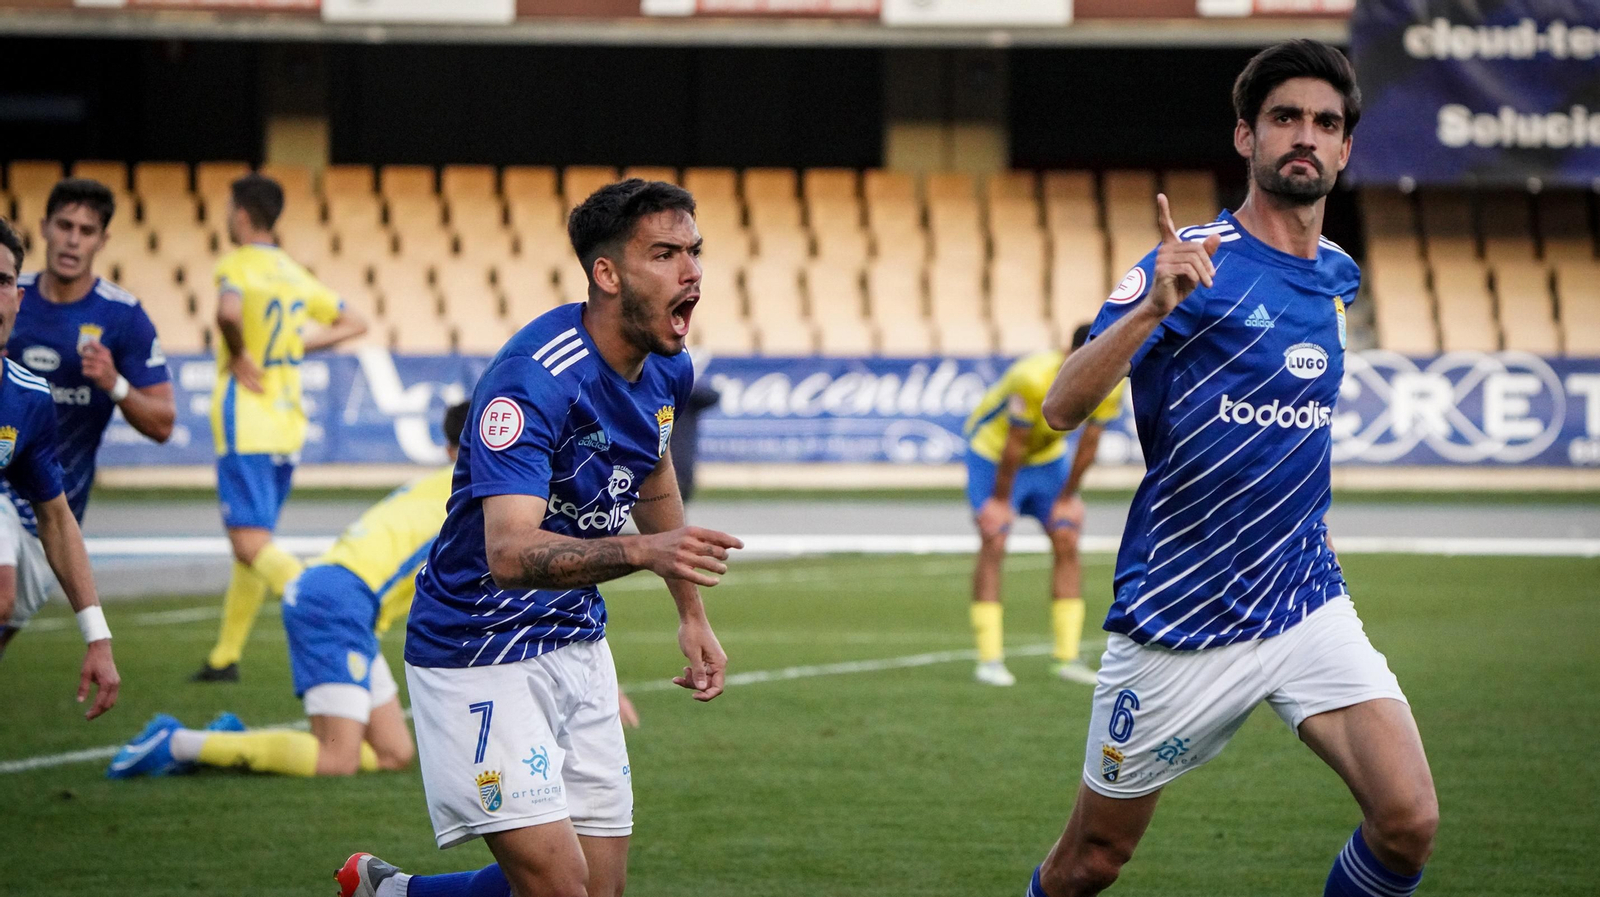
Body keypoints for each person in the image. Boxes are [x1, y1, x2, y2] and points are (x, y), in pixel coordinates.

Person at [1025, 41, 1437, 897]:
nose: (1306, 136)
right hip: (1180, 612)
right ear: (1246, 136)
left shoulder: (1338, 277)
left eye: (1326, 123)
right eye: (1285, 118)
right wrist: (1152, 308)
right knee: (1090, 862)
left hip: (1304, 599)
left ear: (1346, 150)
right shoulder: (1191, 260)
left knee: (1407, 821)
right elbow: (1061, 404)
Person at [335, 179, 741, 897]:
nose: (692, 271)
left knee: (597, 889)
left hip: (576, 640)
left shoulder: (669, 366)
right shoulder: (531, 383)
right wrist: (646, 554)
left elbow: (654, 480)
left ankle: (399, 893)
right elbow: (510, 552)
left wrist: (691, 612)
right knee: (561, 888)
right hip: (476, 649)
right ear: (606, 273)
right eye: (666, 253)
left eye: (695, 252)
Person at [106, 402, 469, 779]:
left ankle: (227, 745)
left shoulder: (445, 483)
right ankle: (176, 742)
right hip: (339, 601)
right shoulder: (470, 494)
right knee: (337, 759)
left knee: (393, 752)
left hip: (343, 598)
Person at [193, 173, 367, 682]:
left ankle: (322, 601)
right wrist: (292, 348)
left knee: (249, 544)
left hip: (245, 418)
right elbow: (354, 321)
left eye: (230, 209)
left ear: (243, 214)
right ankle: (225, 657)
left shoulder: (237, 264)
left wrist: (243, 351)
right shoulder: (293, 273)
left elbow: (228, 311)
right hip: (288, 424)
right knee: (255, 542)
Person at [0, 178, 175, 655]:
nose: (73, 239)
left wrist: (115, 383)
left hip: (53, 510)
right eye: (64, 225)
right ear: (45, 229)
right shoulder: (11, 298)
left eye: (86, 230)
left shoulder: (122, 317)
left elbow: (163, 423)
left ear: (102, 241)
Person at [0, 215, 119, 718]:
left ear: (16, 300)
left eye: (3, 281)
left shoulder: (26, 397)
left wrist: (98, 636)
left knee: (9, 595)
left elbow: (54, 516)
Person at [962, 323, 1124, 687]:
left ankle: (1066, 658)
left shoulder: (1114, 380)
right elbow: (1013, 445)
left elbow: (1089, 443)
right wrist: (1001, 503)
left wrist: (1068, 498)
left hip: (1047, 459)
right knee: (995, 538)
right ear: (1072, 354)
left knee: (1066, 537)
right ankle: (989, 660)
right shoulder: (1032, 378)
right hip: (992, 455)